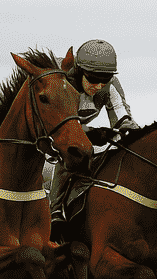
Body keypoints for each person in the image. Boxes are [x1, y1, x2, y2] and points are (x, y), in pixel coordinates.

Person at [49, 39, 139, 241]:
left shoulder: (109, 85)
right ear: (80, 71)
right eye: (92, 79)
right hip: (50, 135)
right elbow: (60, 126)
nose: (98, 86)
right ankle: (55, 211)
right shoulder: (62, 81)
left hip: (75, 134)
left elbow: (123, 118)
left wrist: (137, 136)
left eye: (104, 80)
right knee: (73, 150)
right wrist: (91, 131)